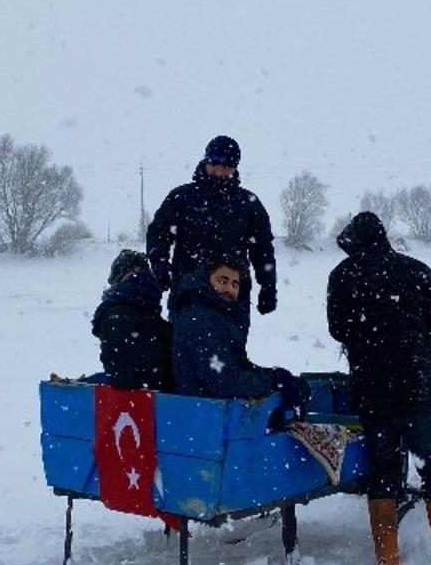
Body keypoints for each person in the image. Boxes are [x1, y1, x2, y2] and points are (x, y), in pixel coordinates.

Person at [326, 211, 431, 565]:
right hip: (416, 388)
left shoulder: (341, 275)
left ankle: (388, 561)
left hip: (371, 391)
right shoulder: (416, 270)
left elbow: (337, 329)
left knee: (382, 472)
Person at [147, 136, 277, 334]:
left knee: (231, 357)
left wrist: (268, 285)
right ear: (207, 161)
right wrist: (160, 263)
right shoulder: (182, 198)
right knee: (184, 356)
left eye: (228, 165)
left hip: (233, 298)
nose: (221, 170)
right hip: (188, 294)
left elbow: (262, 248)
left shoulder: (248, 203)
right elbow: (159, 233)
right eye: (215, 163)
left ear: (235, 167)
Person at [171, 257, 305, 415]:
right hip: (205, 416)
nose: (230, 289)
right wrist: (272, 382)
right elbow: (224, 381)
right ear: (205, 280)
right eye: (223, 281)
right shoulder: (201, 319)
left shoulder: (217, 317)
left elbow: (235, 366)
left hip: (215, 412)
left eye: (235, 284)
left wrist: (273, 376)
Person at [90, 249, 173, 390]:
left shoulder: (139, 308)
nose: (144, 276)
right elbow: (131, 374)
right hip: (149, 401)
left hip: (142, 399)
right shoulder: (124, 313)